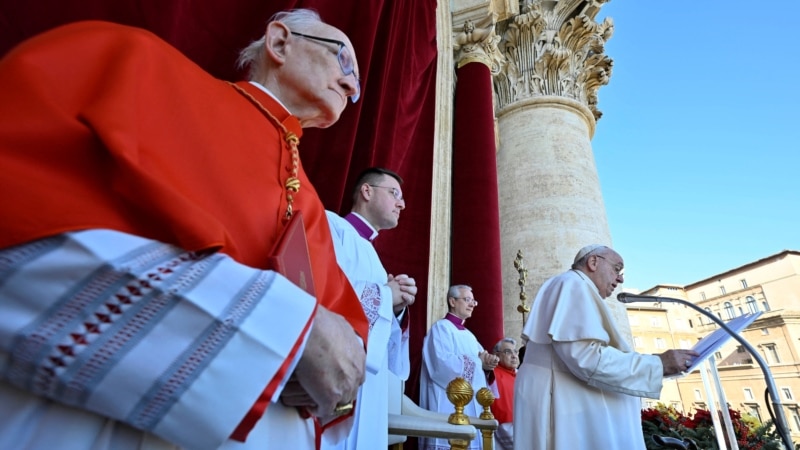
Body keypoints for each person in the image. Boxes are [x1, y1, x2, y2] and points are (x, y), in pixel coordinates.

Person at [0, 9, 369, 450]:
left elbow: (343, 356)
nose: (350, 86)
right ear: (280, 43)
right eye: (343, 61)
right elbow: (20, 221)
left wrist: (325, 373)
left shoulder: (311, 202)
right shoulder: (137, 66)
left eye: (358, 84)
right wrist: (280, 333)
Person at [513, 245, 699, 450]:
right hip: (559, 402)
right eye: (617, 269)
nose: (620, 279)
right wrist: (657, 364)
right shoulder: (574, 284)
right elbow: (587, 358)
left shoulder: (570, 284)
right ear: (593, 262)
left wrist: (654, 363)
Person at [323, 167, 417, 449]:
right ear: (367, 191)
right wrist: (386, 295)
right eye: (394, 194)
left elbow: (380, 330)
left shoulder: (373, 255)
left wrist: (396, 306)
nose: (402, 203)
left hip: (370, 384)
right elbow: (326, 293)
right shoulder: (332, 226)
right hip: (334, 369)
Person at [420, 285, 499, 450]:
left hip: (471, 407)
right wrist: (479, 363)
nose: (472, 304)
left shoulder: (470, 336)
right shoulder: (441, 329)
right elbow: (442, 365)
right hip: (447, 405)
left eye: (473, 301)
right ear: (452, 301)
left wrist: (488, 365)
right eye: (467, 300)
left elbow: (480, 362)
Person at [491, 337, 518, 450]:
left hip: (521, 422)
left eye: (515, 351)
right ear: (497, 355)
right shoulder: (492, 374)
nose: (514, 355)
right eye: (508, 352)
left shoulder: (519, 374)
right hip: (505, 426)